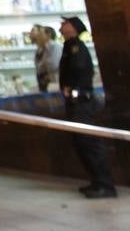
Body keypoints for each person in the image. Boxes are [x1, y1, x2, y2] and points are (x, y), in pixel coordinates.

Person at [59, 15, 116, 198]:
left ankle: (105, 185)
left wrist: (71, 88)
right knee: (81, 143)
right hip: (76, 101)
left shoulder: (76, 46)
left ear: (73, 28)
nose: (61, 25)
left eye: (65, 23)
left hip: (82, 102)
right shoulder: (69, 46)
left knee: (89, 142)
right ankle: (97, 181)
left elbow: (79, 69)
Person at [32, 24, 62, 93]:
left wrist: (43, 64)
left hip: (55, 84)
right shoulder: (42, 49)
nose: (38, 37)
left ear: (48, 35)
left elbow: (53, 65)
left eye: (41, 34)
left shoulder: (55, 47)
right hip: (47, 85)